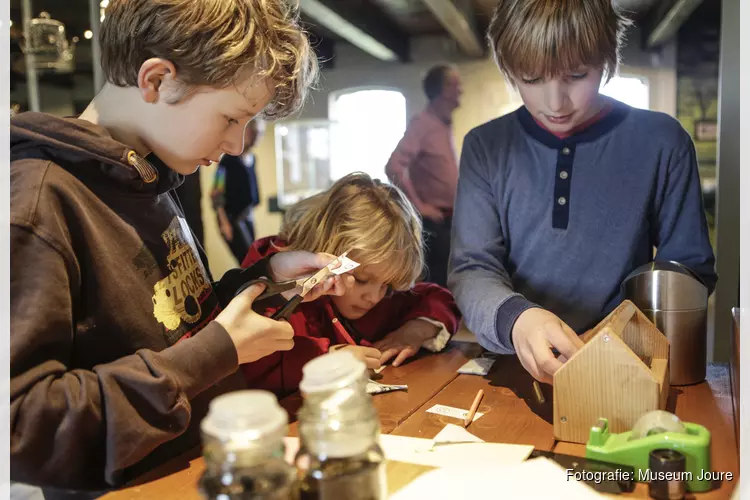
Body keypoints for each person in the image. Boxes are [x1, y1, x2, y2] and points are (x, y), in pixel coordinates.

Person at [9, 0, 354, 493]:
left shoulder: (153, 175)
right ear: (156, 80)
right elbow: (20, 428)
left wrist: (267, 279)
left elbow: (168, 319)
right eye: (231, 118)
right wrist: (215, 353)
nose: (236, 145)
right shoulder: (35, 202)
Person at [449, 0, 717, 386]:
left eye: (577, 75)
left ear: (607, 58)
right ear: (508, 69)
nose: (555, 103)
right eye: (531, 78)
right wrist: (518, 320)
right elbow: (472, 268)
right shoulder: (485, 146)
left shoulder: (662, 141)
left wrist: (619, 334)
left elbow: (689, 272)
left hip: (627, 367)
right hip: (514, 364)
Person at [240, 173, 462, 397]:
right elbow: (251, 364)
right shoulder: (277, 285)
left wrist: (415, 330)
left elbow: (438, 298)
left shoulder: (381, 296)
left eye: (386, 284)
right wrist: (326, 358)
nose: (374, 297)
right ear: (326, 252)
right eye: (362, 280)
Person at [385, 64, 462, 288]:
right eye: (455, 84)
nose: (461, 90)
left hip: (449, 220)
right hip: (434, 223)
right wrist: (419, 206)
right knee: (437, 288)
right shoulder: (423, 123)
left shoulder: (443, 124)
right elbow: (394, 166)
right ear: (442, 89)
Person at [211, 118, 264, 263]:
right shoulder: (228, 160)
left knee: (255, 257)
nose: (256, 138)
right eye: (254, 133)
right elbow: (216, 192)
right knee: (247, 260)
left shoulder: (253, 158)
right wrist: (224, 222)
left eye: (259, 134)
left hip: (246, 216)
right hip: (231, 218)